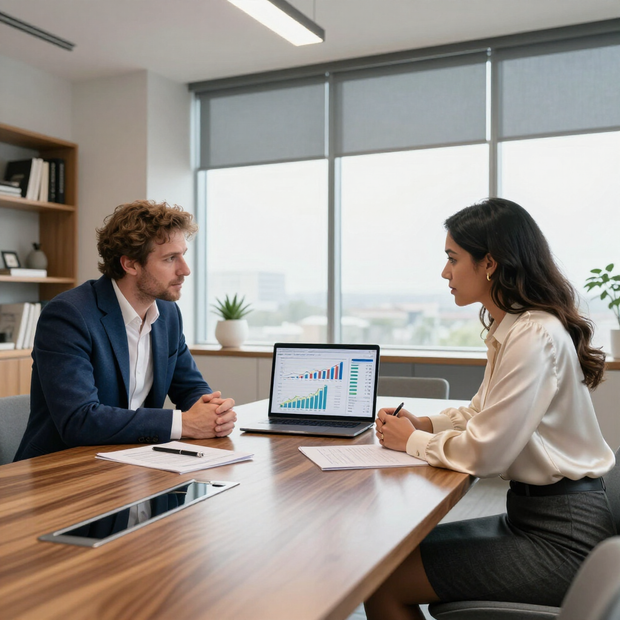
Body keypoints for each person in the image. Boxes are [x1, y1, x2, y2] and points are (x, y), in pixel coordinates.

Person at [365, 198, 616, 620]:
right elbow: (481, 413)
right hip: (538, 518)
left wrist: (414, 441)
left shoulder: (534, 335)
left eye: (452, 258)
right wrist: (423, 423)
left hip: (562, 538)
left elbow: (487, 453)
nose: (445, 272)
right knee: (381, 562)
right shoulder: (515, 327)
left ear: (489, 264)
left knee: (380, 579)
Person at [15, 200, 236, 461]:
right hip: (62, 469)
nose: (185, 270)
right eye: (170, 259)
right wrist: (184, 423)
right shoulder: (68, 315)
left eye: (183, 254)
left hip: (133, 462)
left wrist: (214, 413)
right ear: (130, 265)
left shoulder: (167, 313)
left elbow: (189, 387)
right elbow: (80, 420)